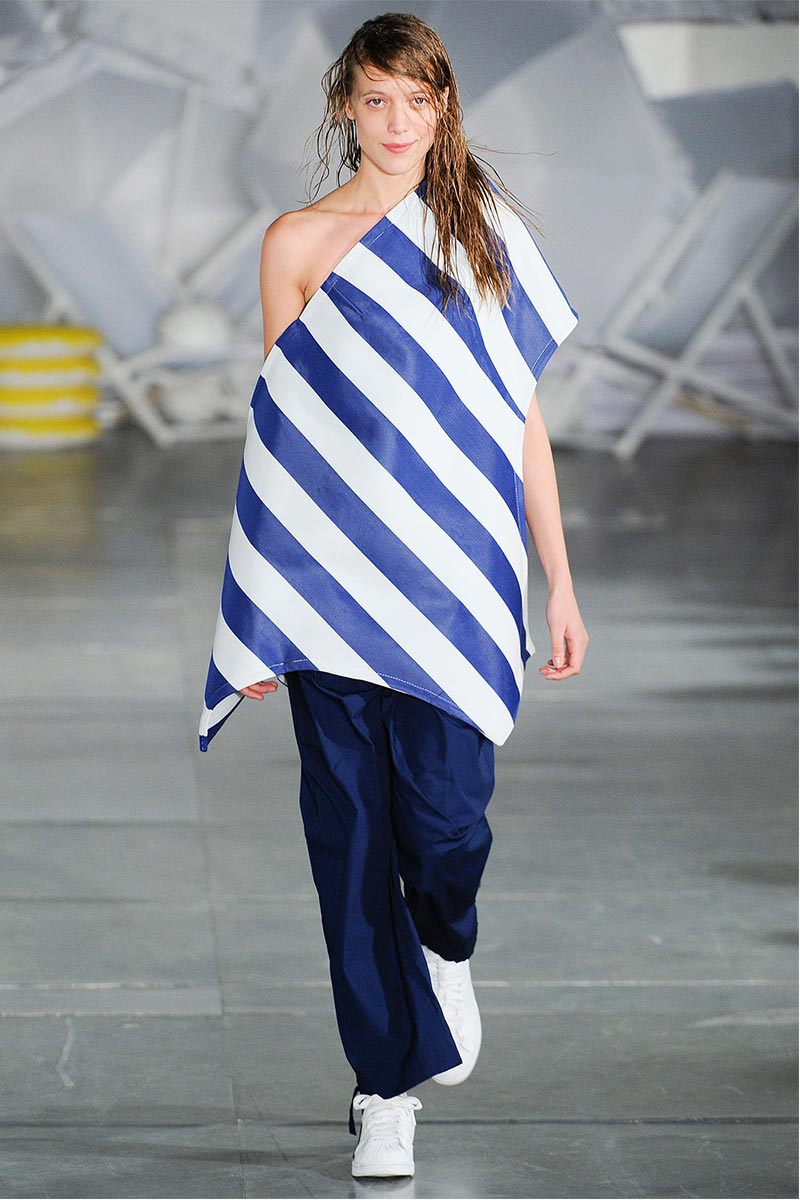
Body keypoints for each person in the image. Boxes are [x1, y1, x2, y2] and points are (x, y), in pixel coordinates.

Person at [198, 10, 588, 1181]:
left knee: (446, 822)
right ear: (345, 108)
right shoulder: (296, 243)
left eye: (417, 101)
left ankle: (444, 941)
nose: (397, 122)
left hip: (458, 581)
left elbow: (519, 422)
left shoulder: (481, 232)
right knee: (352, 840)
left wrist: (558, 579)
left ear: (442, 107)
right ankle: (383, 1090)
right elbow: (284, 437)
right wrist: (259, 611)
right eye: (375, 100)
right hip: (328, 590)